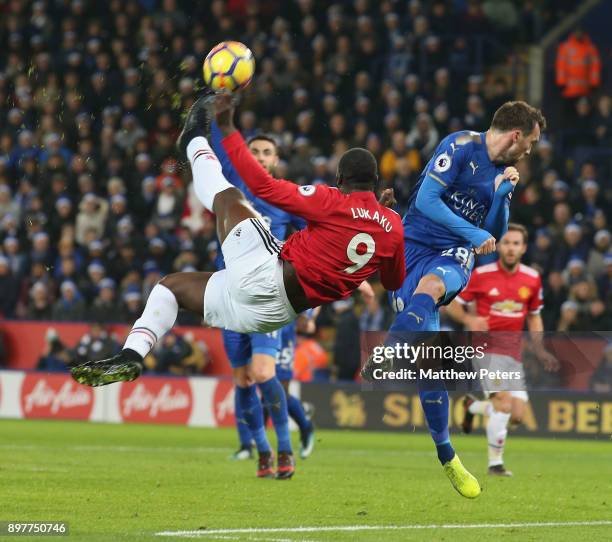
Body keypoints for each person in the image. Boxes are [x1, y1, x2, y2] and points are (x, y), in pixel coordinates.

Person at [71, 92, 406, 477]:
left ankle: (195, 140)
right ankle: (132, 355)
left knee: (229, 196)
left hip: (267, 275)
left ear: (339, 179)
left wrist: (228, 127)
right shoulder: (393, 228)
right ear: (377, 180)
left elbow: (263, 188)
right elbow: (394, 280)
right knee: (171, 287)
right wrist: (382, 216)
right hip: (272, 314)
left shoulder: (331, 199)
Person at [362, 101, 546, 499]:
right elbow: (426, 202)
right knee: (431, 368)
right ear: (516, 135)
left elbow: (492, 235)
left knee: (433, 287)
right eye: (530, 143)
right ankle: (447, 455)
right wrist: (474, 231)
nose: (530, 151)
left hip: (453, 254)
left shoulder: (502, 173)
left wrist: (501, 196)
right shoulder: (459, 146)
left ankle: (386, 353)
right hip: (411, 246)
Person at [209, 121, 307, 477]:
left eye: (268, 152)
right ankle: (261, 450)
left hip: (268, 297)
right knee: (243, 379)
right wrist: (220, 107)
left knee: (265, 373)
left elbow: (319, 228)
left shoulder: (287, 196)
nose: (261, 158)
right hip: (229, 296)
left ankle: (284, 448)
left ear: (277, 160)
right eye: (255, 152)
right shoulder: (228, 190)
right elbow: (219, 143)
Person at [446, 224, 558, 476]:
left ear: (524, 248)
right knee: (503, 404)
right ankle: (495, 464)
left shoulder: (532, 278)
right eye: (506, 242)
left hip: (513, 353)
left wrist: (539, 348)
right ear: (499, 246)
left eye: (516, 243)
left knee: (516, 415)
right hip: (487, 350)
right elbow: (453, 303)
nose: (510, 248)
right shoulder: (481, 274)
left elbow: (534, 316)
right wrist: (469, 321)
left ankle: (471, 406)